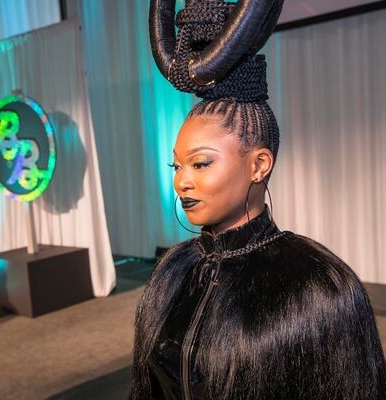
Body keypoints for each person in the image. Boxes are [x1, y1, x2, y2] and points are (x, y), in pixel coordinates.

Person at [131, 1, 386, 399]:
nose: (182, 182)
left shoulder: (318, 288)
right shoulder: (172, 273)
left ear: (259, 164)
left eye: (200, 164)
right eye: (176, 167)